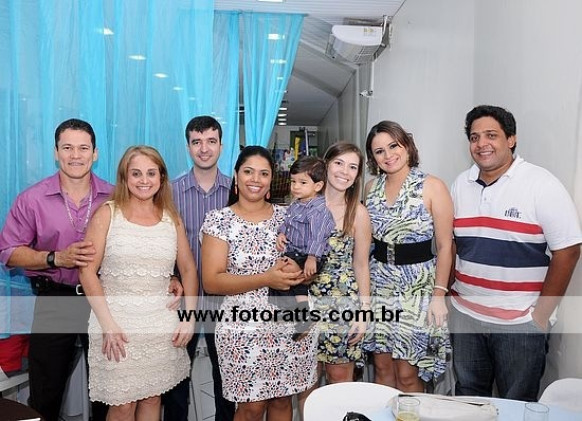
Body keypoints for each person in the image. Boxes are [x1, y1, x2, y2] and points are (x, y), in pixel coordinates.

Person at [449, 105, 582, 401]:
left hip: (519, 324)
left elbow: (569, 250)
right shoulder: (461, 184)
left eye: (491, 135)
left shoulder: (540, 184)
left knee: (516, 403)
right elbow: (453, 244)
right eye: (474, 137)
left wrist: (540, 316)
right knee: (468, 398)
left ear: (511, 139)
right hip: (466, 316)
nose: (481, 143)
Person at [0, 119, 111, 421]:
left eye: (83, 148)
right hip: (55, 300)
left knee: (108, 392)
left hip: (103, 300)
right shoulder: (32, 199)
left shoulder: (114, 197)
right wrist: (55, 258)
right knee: (45, 391)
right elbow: (8, 252)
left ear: (95, 153)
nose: (75, 155)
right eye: (67, 148)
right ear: (55, 152)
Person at [78, 145, 197, 418]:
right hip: (115, 323)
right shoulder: (107, 214)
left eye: (151, 173)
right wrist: (108, 324)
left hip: (160, 322)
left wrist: (189, 318)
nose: (144, 180)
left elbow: (188, 269)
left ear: (161, 178)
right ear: (125, 177)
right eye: (136, 173)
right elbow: (86, 271)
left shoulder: (171, 219)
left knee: (153, 398)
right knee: (122, 405)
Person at [201, 146, 318, 421]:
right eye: (248, 171)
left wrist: (301, 273)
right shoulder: (219, 220)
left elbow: (310, 265)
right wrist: (266, 278)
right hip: (242, 327)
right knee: (251, 408)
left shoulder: (290, 215)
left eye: (264, 173)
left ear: (271, 180)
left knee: (282, 400)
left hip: (292, 322)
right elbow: (212, 281)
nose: (256, 179)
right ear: (236, 176)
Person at [362, 121, 453, 392]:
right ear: (373, 158)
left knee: (408, 374)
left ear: (407, 146)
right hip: (379, 285)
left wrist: (439, 295)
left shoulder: (432, 186)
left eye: (394, 146)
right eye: (379, 151)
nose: (388, 155)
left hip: (417, 289)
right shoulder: (370, 188)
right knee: (382, 369)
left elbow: (445, 246)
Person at [163, 115, 236, 421]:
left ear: (221, 145)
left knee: (227, 380)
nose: (204, 149)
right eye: (197, 142)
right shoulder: (169, 192)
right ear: (188, 147)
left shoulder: (236, 191)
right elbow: (161, 241)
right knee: (175, 381)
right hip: (184, 301)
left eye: (210, 141)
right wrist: (170, 275)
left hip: (226, 301)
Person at [307, 142, 372, 385]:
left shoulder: (358, 213)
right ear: (326, 165)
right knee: (307, 382)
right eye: (339, 163)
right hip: (306, 303)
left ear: (357, 175)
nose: (345, 171)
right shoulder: (304, 205)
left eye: (352, 167)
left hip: (343, 307)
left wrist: (363, 314)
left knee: (339, 381)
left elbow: (361, 266)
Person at [272, 156, 335, 339]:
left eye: (302, 182)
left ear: (318, 186)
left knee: (282, 274)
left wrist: (312, 258)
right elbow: (287, 222)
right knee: (289, 282)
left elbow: (318, 236)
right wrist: (281, 233)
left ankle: (293, 311)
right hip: (297, 252)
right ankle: (302, 314)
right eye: (293, 181)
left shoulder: (318, 210)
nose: (295, 187)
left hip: (310, 255)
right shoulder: (297, 204)